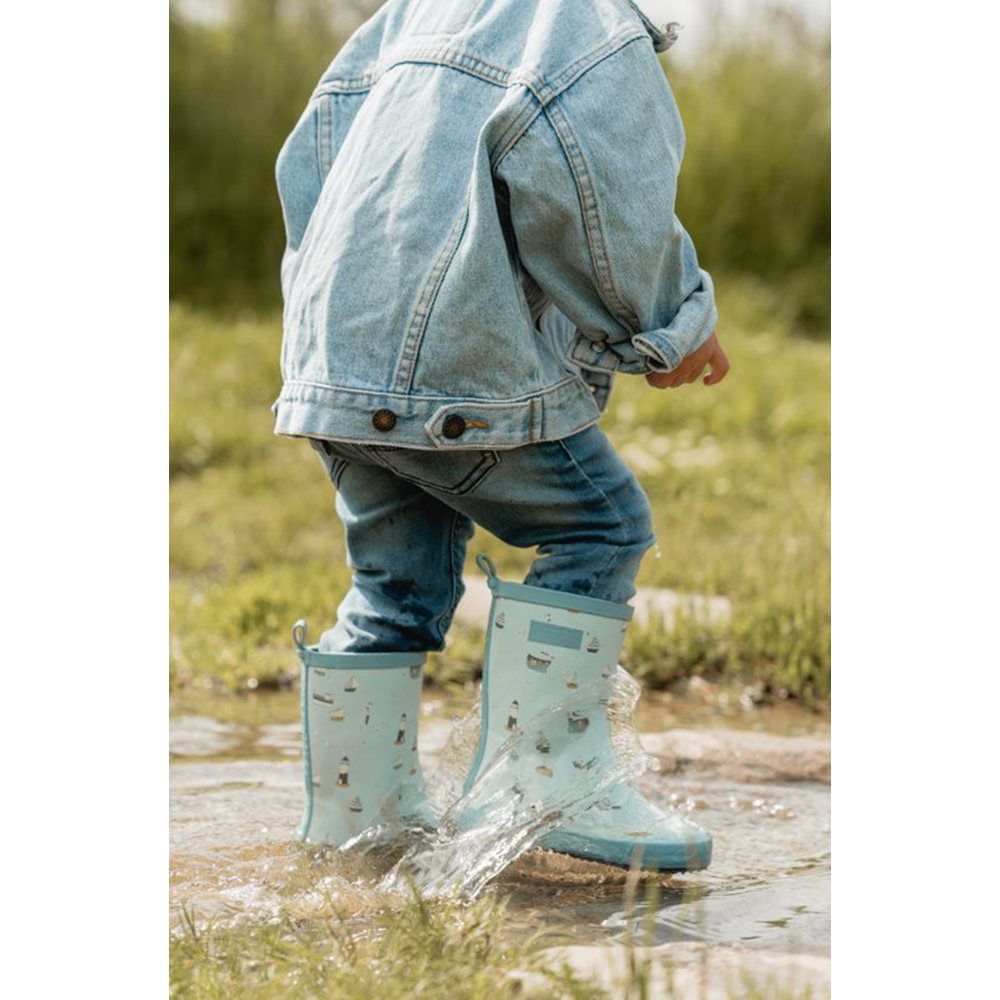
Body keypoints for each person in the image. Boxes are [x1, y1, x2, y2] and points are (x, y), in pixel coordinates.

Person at [276, 0, 728, 871]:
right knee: (600, 524)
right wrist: (668, 318)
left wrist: (327, 340)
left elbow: (310, 165)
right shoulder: (586, 26)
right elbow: (600, 193)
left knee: (393, 589)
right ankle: (548, 780)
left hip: (336, 354)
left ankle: (356, 822)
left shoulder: (410, 14)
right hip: (456, 362)